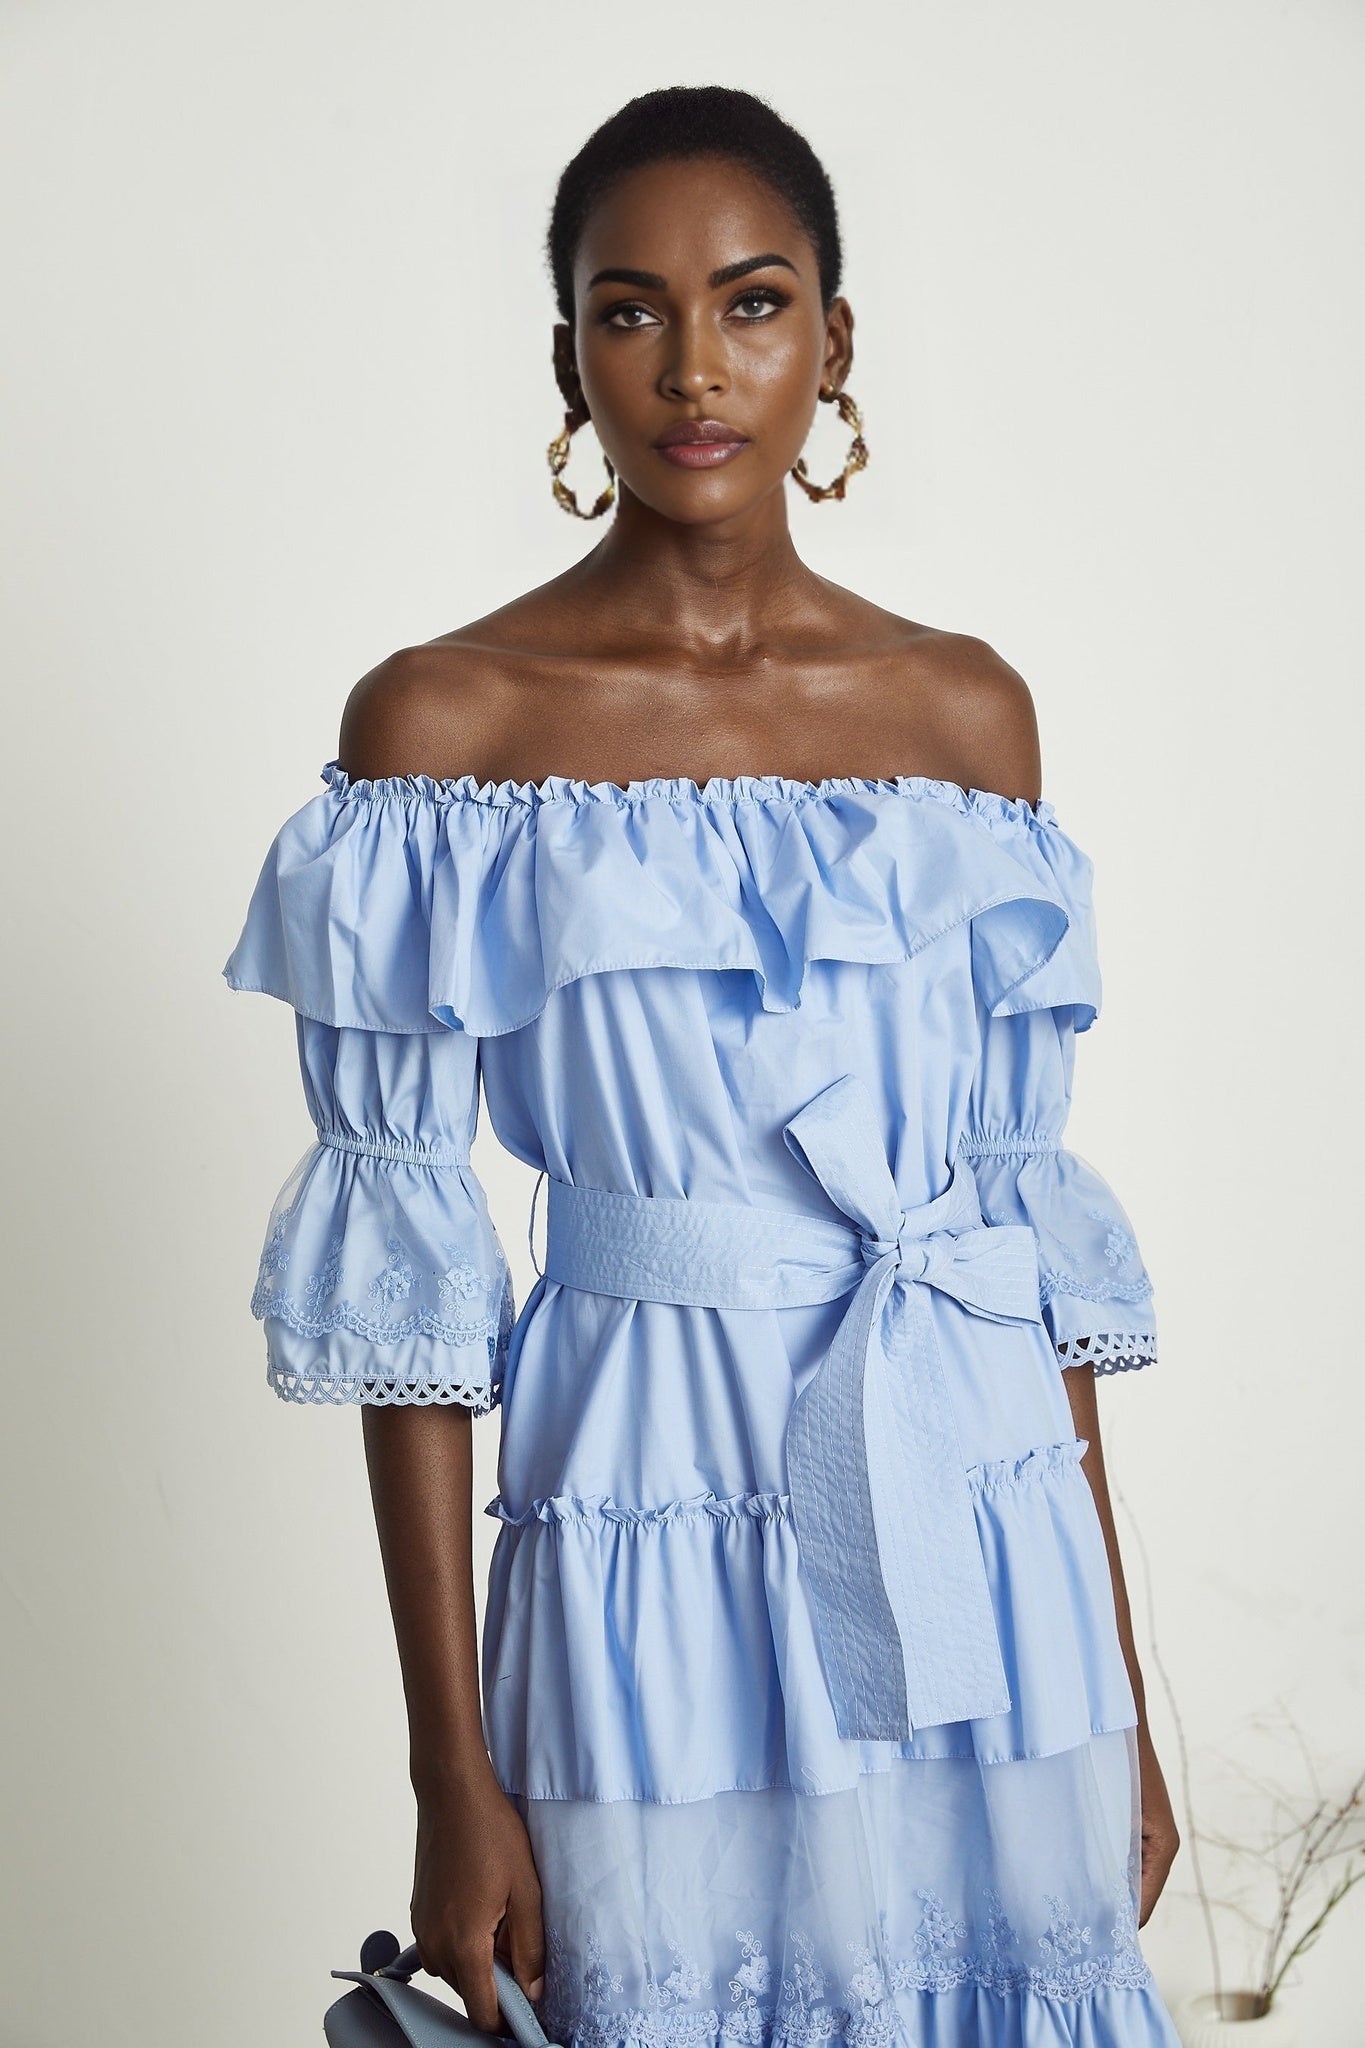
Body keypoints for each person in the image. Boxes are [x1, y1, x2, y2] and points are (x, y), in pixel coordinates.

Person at [223, 84, 1184, 2048]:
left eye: (751, 305)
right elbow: (413, 1302)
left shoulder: (959, 718)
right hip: (644, 1509)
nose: (693, 366)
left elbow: (1018, 1239)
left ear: (833, 341)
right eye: (628, 310)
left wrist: (1123, 1705)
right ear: (566, 355)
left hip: (979, 1549)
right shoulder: (444, 732)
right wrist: (449, 1773)